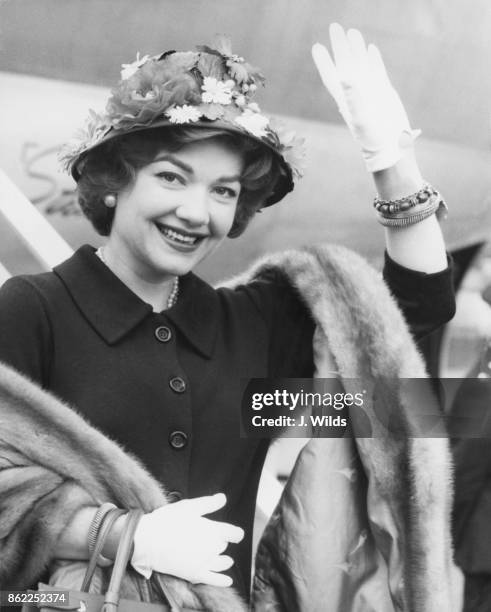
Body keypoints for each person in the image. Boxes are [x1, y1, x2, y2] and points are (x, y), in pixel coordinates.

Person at [0, 24, 456, 611]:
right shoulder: (32, 312)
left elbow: (410, 311)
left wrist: (392, 163)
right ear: (114, 183)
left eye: (224, 191)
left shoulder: (252, 324)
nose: (196, 212)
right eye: (171, 177)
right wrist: (120, 536)